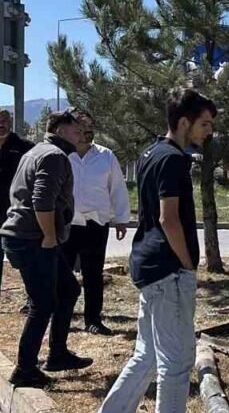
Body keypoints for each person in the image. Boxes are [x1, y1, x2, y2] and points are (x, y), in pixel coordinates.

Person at [79, 90, 217, 413]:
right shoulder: (173, 159)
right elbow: (168, 219)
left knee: (148, 355)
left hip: (150, 266)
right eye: (205, 124)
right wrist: (187, 263)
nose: (209, 132)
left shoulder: (151, 153)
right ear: (184, 122)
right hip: (168, 271)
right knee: (177, 360)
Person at [2, 111, 93, 387]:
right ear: (61, 130)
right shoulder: (53, 155)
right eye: (76, 131)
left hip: (27, 237)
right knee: (42, 304)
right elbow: (42, 200)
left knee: (68, 290)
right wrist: (50, 237)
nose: (81, 136)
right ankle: (25, 370)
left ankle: (58, 355)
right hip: (33, 240)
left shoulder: (38, 151)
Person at [66, 110, 131, 336]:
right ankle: (61, 319)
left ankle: (93, 320)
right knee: (63, 276)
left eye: (90, 130)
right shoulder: (62, 155)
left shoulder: (106, 156)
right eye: (81, 130)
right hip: (67, 224)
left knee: (93, 275)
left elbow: (117, 188)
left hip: (96, 224)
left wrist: (121, 219)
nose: (86, 135)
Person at [0, 108, 35, 295]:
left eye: (5, 120)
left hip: (17, 214)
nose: (1, 124)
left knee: (24, 260)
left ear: (11, 122)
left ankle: (32, 300)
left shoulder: (25, 147)